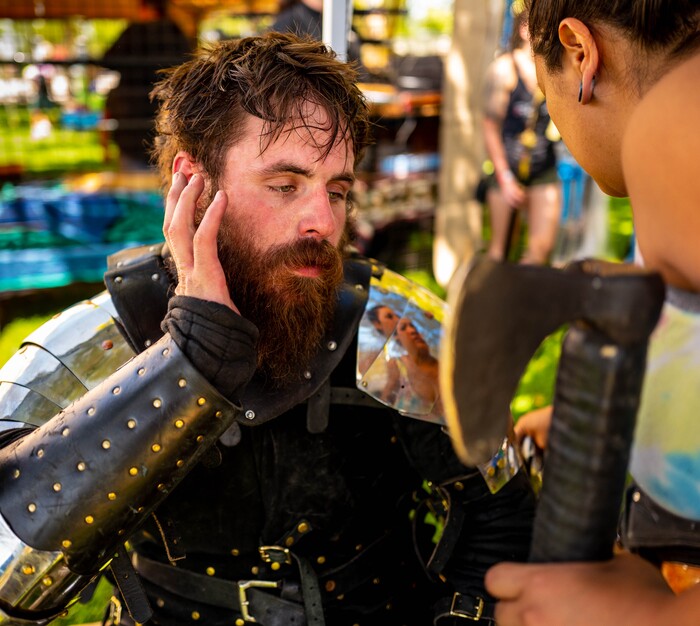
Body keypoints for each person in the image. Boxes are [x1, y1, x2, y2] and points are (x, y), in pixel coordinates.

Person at [0, 33, 535, 626]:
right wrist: (189, 360)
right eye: (285, 185)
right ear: (192, 183)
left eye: (337, 189)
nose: (324, 221)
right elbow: (14, 580)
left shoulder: (390, 322)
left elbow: (506, 515)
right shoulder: (107, 335)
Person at [484, 2, 700, 624]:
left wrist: (649, 617)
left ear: (581, 50)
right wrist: (636, 427)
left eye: (545, 91)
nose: (553, 119)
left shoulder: (674, 122)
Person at [481, 8, 562, 264]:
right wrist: (504, 176)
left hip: (543, 167)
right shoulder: (505, 69)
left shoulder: (555, 69)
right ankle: (491, 301)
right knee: (499, 251)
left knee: (540, 248)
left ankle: (521, 300)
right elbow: (489, 125)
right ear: (524, 29)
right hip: (508, 166)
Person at [101, 0, 192, 170]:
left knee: (134, 190)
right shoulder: (175, 34)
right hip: (166, 119)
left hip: (131, 122)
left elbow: (106, 60)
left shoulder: (134, 32)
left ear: (144, 8)